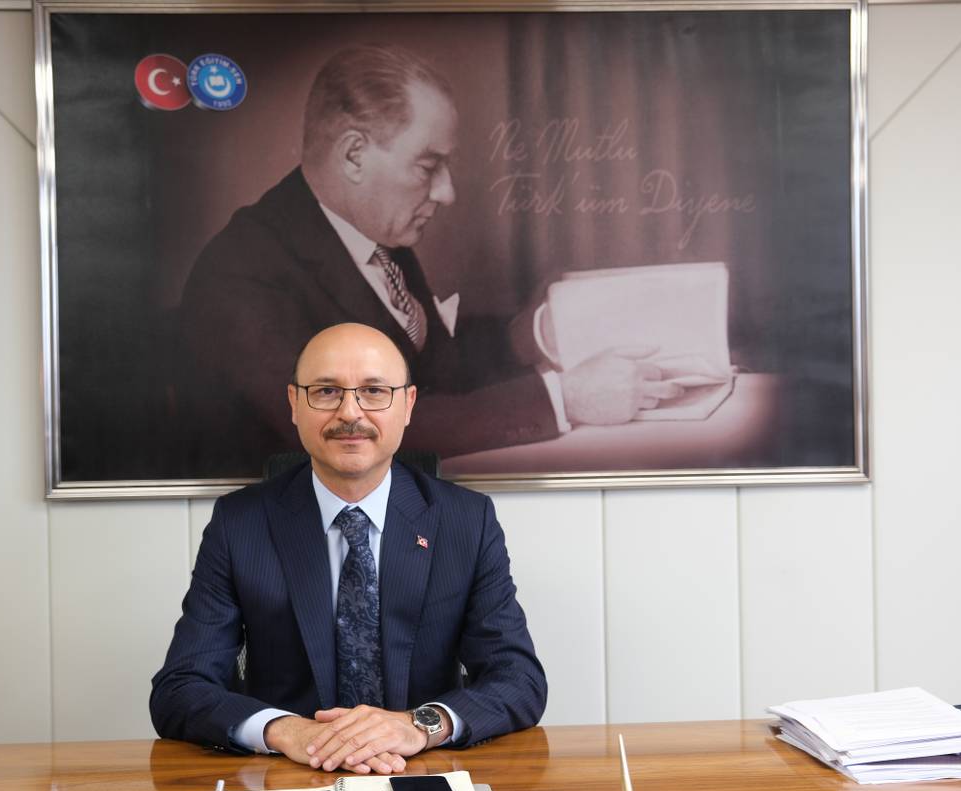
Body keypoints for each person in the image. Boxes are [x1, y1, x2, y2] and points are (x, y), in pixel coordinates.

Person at [178, 44, 668, 477]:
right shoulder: (239, 273)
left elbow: (431, 370)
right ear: (354, 155)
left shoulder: (372, 234)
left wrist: (535, 335)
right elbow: (345, 427)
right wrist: (563, 399)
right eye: (428, 166)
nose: (447, 192)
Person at [151, 323, 547, 772]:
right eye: (326, 391)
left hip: (421, 771)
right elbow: (179, 689)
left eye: (374, 391)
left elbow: (519, 680)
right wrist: (285, 730)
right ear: (294, 404)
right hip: (290, 774)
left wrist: (419, 725)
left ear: (408, 405)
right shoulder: (239, 524)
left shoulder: (466, 521)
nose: (350, 413)